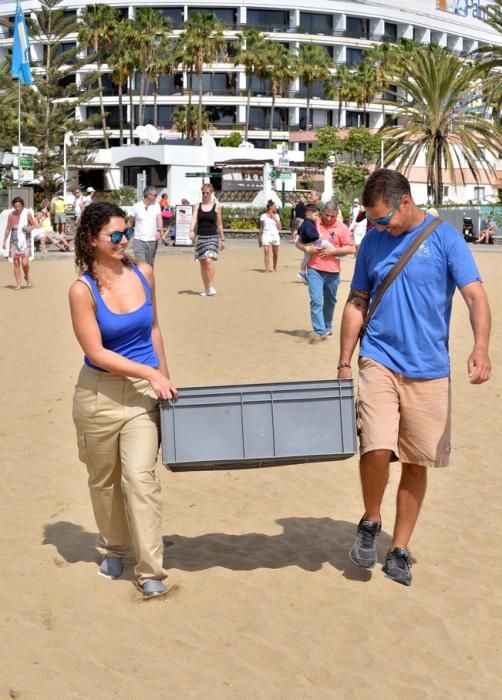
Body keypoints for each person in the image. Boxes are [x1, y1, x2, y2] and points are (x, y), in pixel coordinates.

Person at [337, 169, 491, 586]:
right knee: (375, 445)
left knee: (416, 461)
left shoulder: (444, 238)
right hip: (379, 359)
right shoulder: (372, 241)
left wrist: (480, 347)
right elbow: (356, 301)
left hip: (429, 369)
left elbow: (475, 295)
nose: (376, 226)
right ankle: (371, 520)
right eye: (371, 220)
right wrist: (344, 361)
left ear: (405, 202)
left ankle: (399, 548)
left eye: (383, 218)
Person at [69, 201, 177, 598]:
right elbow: (96, 352)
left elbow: (153, 330)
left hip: (142, 396)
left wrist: (162, 376)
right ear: (90, 240)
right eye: (114, 235)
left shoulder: (144, 272)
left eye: (125, 231)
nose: (123, 240)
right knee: (103, 481)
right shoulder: (82, 290)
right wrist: (149, 372)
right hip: (97, 395)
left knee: (140, 479)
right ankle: (114, 547)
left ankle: (151, 571)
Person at [295, 201, 355, 342]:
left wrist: (333, 251)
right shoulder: (313, 222)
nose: (328, 218)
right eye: (326, 215)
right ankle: (319, 331)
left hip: (333, 272)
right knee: (316, 301)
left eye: (332, 216)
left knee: (330, 301)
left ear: (337, 215)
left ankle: (327, 327)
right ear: (322, 212)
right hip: (314, 269)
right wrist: (307, 249)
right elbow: (298, 241)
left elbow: (351, 249)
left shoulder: (342, 228)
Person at [189, 184, 224, 296]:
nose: (205, 195)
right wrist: (191, 231)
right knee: (203, 263)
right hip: (201, 237)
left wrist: (222, 239)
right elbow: (194, 219)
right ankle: (206, 288)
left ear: (211, 193)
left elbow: (219, 223)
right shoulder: (197, 206)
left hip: (212, 237)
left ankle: (211, 286)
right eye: (203, 193)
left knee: (209, 260)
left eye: (207, 193)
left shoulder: (216, 207)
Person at [2, 196, 36, 289]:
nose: (17, 208)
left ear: (22, 206)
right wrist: (4, 241)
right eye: (15, 206)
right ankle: (18, 284)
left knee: (25, 263)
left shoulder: (27, 213)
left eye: (19, 206)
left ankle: (26, 275)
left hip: (25, 239)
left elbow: (34, 224)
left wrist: (30, 228)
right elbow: (8, 228)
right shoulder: (11, 215)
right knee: (16, 263)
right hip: (14, 240)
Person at [128, 186, 162, 266]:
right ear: (148, 195)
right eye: (155, 195)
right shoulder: (136, 206)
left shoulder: (156, 205)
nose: (156, 197)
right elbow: (130, 222)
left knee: (150, 264)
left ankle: (149, 278)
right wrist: (123, 234)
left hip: (152, 240)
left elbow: (159, 219)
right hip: (139, 239)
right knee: (141, 264)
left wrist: (159, 231)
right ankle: (141, 278)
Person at [296, 204, 330, 283]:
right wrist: (318, 236)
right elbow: (310, 233)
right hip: (310, 243)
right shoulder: (309, 223)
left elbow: (299, 231)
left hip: (307, 243)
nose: (317, 217)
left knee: (306, 259)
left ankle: (302, 272)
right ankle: (302, 272)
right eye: (316, 215)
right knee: (325, 243)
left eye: (318, 215)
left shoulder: (305, 222)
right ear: (309, 215)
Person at [258, 199, 281, 272]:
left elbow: (280, 227)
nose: (275, 207)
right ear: (270, 207)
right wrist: (259, 238)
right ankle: (267, 269)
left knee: (275, 254)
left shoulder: (277, 215)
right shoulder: (263, 216)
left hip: (275, 235)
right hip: (266, 235)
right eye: (274, 206)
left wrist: (274, 218)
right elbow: (261, 228)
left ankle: (274, 266)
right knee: (266, 252)